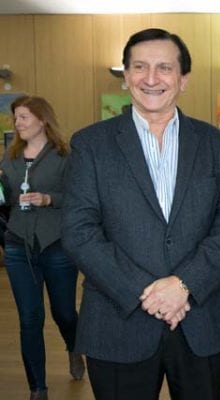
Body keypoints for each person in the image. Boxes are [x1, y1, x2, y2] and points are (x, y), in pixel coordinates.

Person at [61, 28, 220, 400]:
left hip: (200, 321)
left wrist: (184, 285)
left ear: (183, 80)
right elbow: (79, 231)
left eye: (164, 67)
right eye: (140, 67)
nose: (151, 78)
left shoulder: (213, 142)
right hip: (118, 322)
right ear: (127, 76)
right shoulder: (90, 144)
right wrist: (148, 294)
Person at [0, 95, 84, 400]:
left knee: (64, 313)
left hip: (56, 245)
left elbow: (79, 197)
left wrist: (49, 199)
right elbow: (6, 200)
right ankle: (38, 388)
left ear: (42, 119)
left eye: (23, 117)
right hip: (17, 245)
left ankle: (74, 346)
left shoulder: (65, 156)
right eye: (16, 118)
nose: (17, 123)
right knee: (29, 318)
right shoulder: (9, 158)